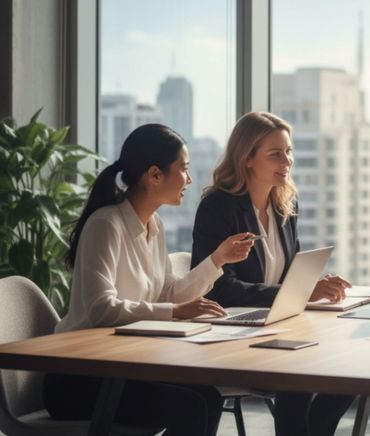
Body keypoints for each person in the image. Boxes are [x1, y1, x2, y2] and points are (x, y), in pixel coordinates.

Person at [44, 123, 254, 436]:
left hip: (124, 367)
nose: (189, 179)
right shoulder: (105, 225)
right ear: (154, 175)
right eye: (183, 169)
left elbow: (167, 293)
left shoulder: (153, 225)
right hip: (80, 377)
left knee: (207, 395)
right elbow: (102, 310)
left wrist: (218, 259)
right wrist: (174, 311)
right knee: (192, 406)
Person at [191, 111, 354, 436]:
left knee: (350, 369)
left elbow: (289, 274)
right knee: (298, 378)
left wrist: (313, 284)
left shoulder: (284, 206)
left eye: (289, 151)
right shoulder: (217, 207)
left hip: (280, 327)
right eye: (276, 153)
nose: (287, 160)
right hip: (235, 336)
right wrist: (297, 294)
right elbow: (221, 290)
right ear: (247, 158)